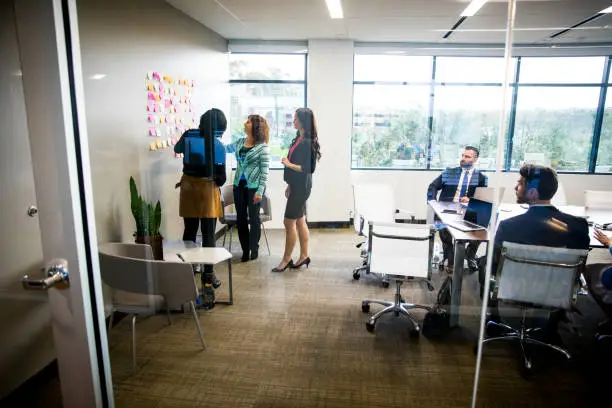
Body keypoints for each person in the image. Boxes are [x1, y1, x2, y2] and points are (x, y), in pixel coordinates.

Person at [480, 165, 590, 333]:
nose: (515, 187)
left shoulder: (509, 226)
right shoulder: (578, 226)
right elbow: (578, 267)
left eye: (520, 183)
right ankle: (553, 326)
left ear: (532, 193)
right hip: (556, 290)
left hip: (514, 288)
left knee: (483, 264)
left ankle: (494, 319)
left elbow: (495, 263)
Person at [174, 108, 227, 297]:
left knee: (189, 232)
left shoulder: (189, 134)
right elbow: (221, 180)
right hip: (207, 191)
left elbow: (177, 149)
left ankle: (187, 273)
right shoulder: (218, 146)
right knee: (208, 235)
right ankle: (208, 276)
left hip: (188, 188)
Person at [272, 108, 321, 272]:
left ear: (302, 122)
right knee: (300, 221)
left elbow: (309, 168)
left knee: (288, 222)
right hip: (297, 185)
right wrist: (290, 184)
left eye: (295, 119)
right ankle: (304, 256)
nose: (293, 121)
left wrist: (288, 164)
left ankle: (286, 259)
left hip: (303, 187)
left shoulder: (308, 142)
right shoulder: (297, 140)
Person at [427, 146, 488, 272]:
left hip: (467, 211)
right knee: (445, 233)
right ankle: (451, 259)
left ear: (475, 159)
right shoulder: (449, 172)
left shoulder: (481, 178)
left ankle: (469, 254)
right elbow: (432, 186)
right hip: (446, 209)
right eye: (463, 156)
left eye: (467, 156)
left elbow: (483, 198)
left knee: (483, 228)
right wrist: (433, 202)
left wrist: (470, 200)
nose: (463, 159)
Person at [226, 115, 270, 262]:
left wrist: (259, 191)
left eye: (249, 121)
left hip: (254, 188)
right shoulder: (239, 142)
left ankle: (254, 248)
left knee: (254, 219)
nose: (245, 122)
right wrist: (212, 141)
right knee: (241, 219)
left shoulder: (262, 148)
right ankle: (245, 250)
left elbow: (264, 172)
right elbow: (225, 149)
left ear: (255, 126)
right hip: (238, 187)